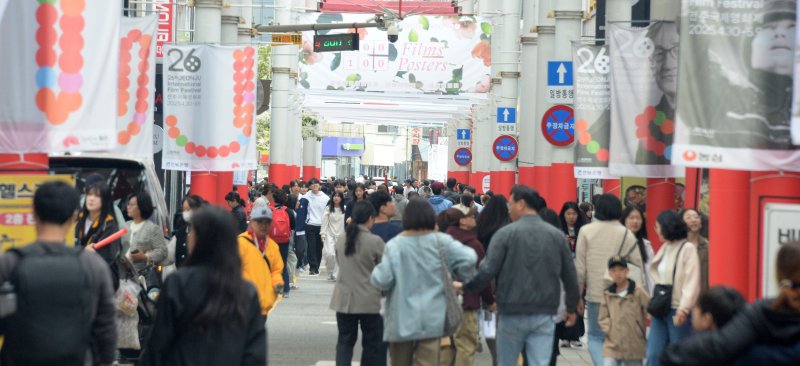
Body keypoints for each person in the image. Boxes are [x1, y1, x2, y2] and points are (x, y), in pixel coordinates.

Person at [0, 181, 117, 366]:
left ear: (34, 215)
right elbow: (106, 330)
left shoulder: (9, 263)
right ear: (74, 217)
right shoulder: (93, 266)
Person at [464, 185, 579, 366]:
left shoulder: (505, 234)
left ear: (521, 204)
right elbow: (570, 275)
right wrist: (571, 307)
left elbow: (487, 270)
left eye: (511, 204)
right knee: (539, 362)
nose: (508, 209)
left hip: (511, 310)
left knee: (507, 361)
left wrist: (467, 288)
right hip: (545, 311)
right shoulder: (556, 236)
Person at [141, 207, 266, 366]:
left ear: (202, 238)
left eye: (192, 231)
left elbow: (158, 344)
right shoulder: (247, 292)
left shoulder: (178, 283)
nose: (188, 236)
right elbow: (255, 354)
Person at [370, 198, 478, 366]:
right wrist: (457, 277)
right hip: (432, 319)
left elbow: (381, 280)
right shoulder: (440, 241)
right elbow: (469, 258)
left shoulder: (396, 245)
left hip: (401, 319)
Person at [663, 241, 800, 366]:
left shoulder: (760, 314)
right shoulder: (761, 313)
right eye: (794, 285)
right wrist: (672, 355)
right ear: (782, 282)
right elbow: (721, 345)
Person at [575, 194, 643, 366]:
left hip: (597, 294)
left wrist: (578, 296)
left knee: (596, 337)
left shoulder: (586, 231)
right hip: (622, 295)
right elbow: (638, 265)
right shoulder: (626, 233)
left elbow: (580, 268)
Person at [330, 201, 387, 366]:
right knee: (370, 343)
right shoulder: (375, 241)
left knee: (345, 342)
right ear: (370, 219)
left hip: (343, 298)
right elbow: (385, 268)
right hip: (369, 300)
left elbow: (341, 263)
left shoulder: (342, 239)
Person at [441, 208, 495, 366]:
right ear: (462, 221)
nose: (474, 218)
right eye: (470, 216)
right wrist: (489, 301)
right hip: (466, 303)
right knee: (465, 346)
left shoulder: (441, 240)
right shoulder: (473, 245)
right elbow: (481, 277)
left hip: (443, 304)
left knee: (446, 347)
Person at [646, 210, 700, 366]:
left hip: (677, 309)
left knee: (679, 355)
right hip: (661, 307)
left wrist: (684, 308)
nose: (656, 231)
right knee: (653, 354)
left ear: (666, 227)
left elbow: (692, 280)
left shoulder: (687, 248)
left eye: (657, 227)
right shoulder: (666, 247)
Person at [599, 256, 650, 366]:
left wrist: (640, 328)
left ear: (627, 271)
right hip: (613, 344)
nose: (618, 273)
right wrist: (609, 329)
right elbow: (603, 317)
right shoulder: (608, 294)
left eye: (621, 270)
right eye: (613, 271)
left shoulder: (638, 291)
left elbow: (649, 310)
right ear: (610, 273)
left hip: (634, 343)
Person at [237, 204, 285, 316]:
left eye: (267, 222)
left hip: (264, 306)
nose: (263, 226)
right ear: (251, 222)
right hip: (243, 303)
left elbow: (276, 270)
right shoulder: (240, 243)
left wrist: (277, 283)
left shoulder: (273, 246)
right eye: (259, 222)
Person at [76, 182, 123, 291]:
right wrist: (83, 250)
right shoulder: (77, 220)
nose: (91, 199)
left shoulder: (110, 225)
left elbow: (108, 257)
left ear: (105, 200)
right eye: (89, 195)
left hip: (100, 279)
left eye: (97, 196)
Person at [557, 201, 588, 348]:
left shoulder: (583, 230)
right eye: (568, 213)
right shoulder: (558, 230)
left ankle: (575, 335)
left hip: (580, 271)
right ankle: (564, 335)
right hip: (563, 272)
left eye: (574, 213)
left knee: (578, 301)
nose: (571, 217)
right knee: (564, 301)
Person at [124, 191, 167, 272]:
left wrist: (145, 257)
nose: (128, 207)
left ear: (142, 207)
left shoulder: (153, 229)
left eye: (132, 205)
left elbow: (162, 252)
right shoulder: (126, 225)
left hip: (141, 275)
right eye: (128, 204)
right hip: (123, 275)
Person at [621, 205, 656, 293]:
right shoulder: (618, 242)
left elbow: (650, 274)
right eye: (631, 218)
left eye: (638, 218)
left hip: (640, 294)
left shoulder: (646, 245)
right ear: (624, 220)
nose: (635, 221)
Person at [271, 190, 296, 297]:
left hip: (271, 241)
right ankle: (286, 290)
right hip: (285, 241)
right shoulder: (289, 211)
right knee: (283, 265)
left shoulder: (269, 210)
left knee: (272, 266)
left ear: (274, 199)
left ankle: (276, 289)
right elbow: (293, 226)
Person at [303, 178, 330, 276]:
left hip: (321, 225)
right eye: (312, 185)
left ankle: (317, 266)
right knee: (311, 247)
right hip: (310, 224)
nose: (314, 186)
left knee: (319, 247)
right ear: (310, 186)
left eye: (316, 184)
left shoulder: (325, 198)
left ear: (320, 186)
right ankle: (312, 267)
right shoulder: (306, 197)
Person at [172, 195, 206, 268]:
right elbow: (168, 255)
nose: (185, 213)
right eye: (183, 210)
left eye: (188, 209)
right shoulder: (181, 232)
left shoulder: (208, 232)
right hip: (182, 276)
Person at [681, 209, 709, 293]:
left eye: (696, 217)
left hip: (703, 294)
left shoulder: (707, 246)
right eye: (688, 218)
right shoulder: (679, 246)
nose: (693, 220)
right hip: (683, 295)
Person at [322, 191, 346, 281]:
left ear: (341, 198)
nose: (336, 198)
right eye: (335, 196)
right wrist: (323, 233)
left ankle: (336, 274)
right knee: (329, 254)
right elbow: (324, 222)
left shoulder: (345, 209)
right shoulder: (328, 208)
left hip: (341, 234)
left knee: (339, 255)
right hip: (329, 234)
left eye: (338, 196)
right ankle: (330, 272)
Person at [295, 194, 309, 274]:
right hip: (292, 230)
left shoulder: (305, 201)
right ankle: (298, 265)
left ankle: (301, 264)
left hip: (301, 229)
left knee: (301, 249)